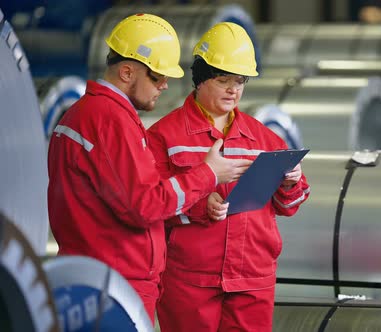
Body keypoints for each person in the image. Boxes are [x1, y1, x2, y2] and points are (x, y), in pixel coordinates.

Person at [46, 13, 251, 324]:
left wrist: (195, 195)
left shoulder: (83, 114)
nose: (166, 86)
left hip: (98, 279)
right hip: (117, 284)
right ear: (127, 71)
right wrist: (209, 174)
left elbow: (124, 191)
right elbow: (146, 205)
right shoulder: (109, 120)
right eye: (157, 77)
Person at [147, 22, 311, 332]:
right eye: (223, 80)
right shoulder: (164, 137)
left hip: (252, 276)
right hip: (190, 279)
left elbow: (289, 206)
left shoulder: (264, 138)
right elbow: (149, 203)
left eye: (240, 81)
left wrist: (292, 183)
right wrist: (199, 205)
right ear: (200, 78)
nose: (233, 90)